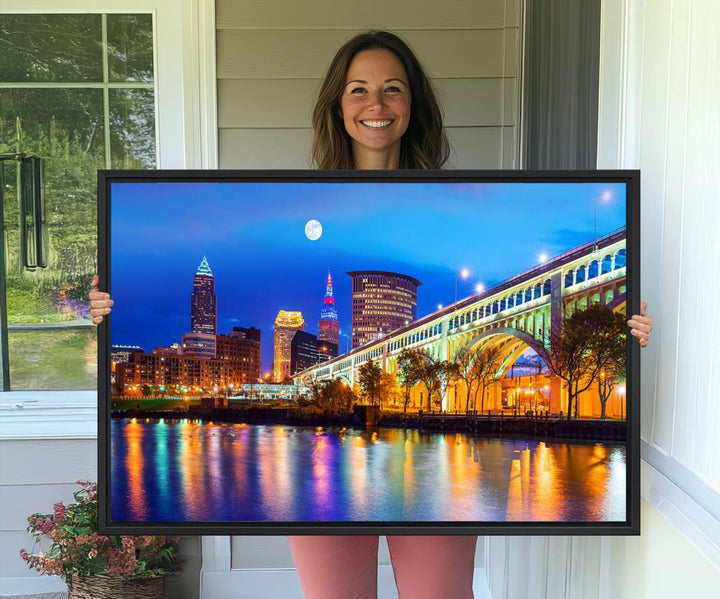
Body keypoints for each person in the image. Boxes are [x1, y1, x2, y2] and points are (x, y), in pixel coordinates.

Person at [89, 30, 653, 599]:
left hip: (427, 485)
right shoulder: (299, 198)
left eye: (392, 89)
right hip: (334, 487)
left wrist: (628, 334)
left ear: (413, 105)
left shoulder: (450, 196)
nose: (376, 105)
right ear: (338, 105)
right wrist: (105, 312)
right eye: (358, 90)